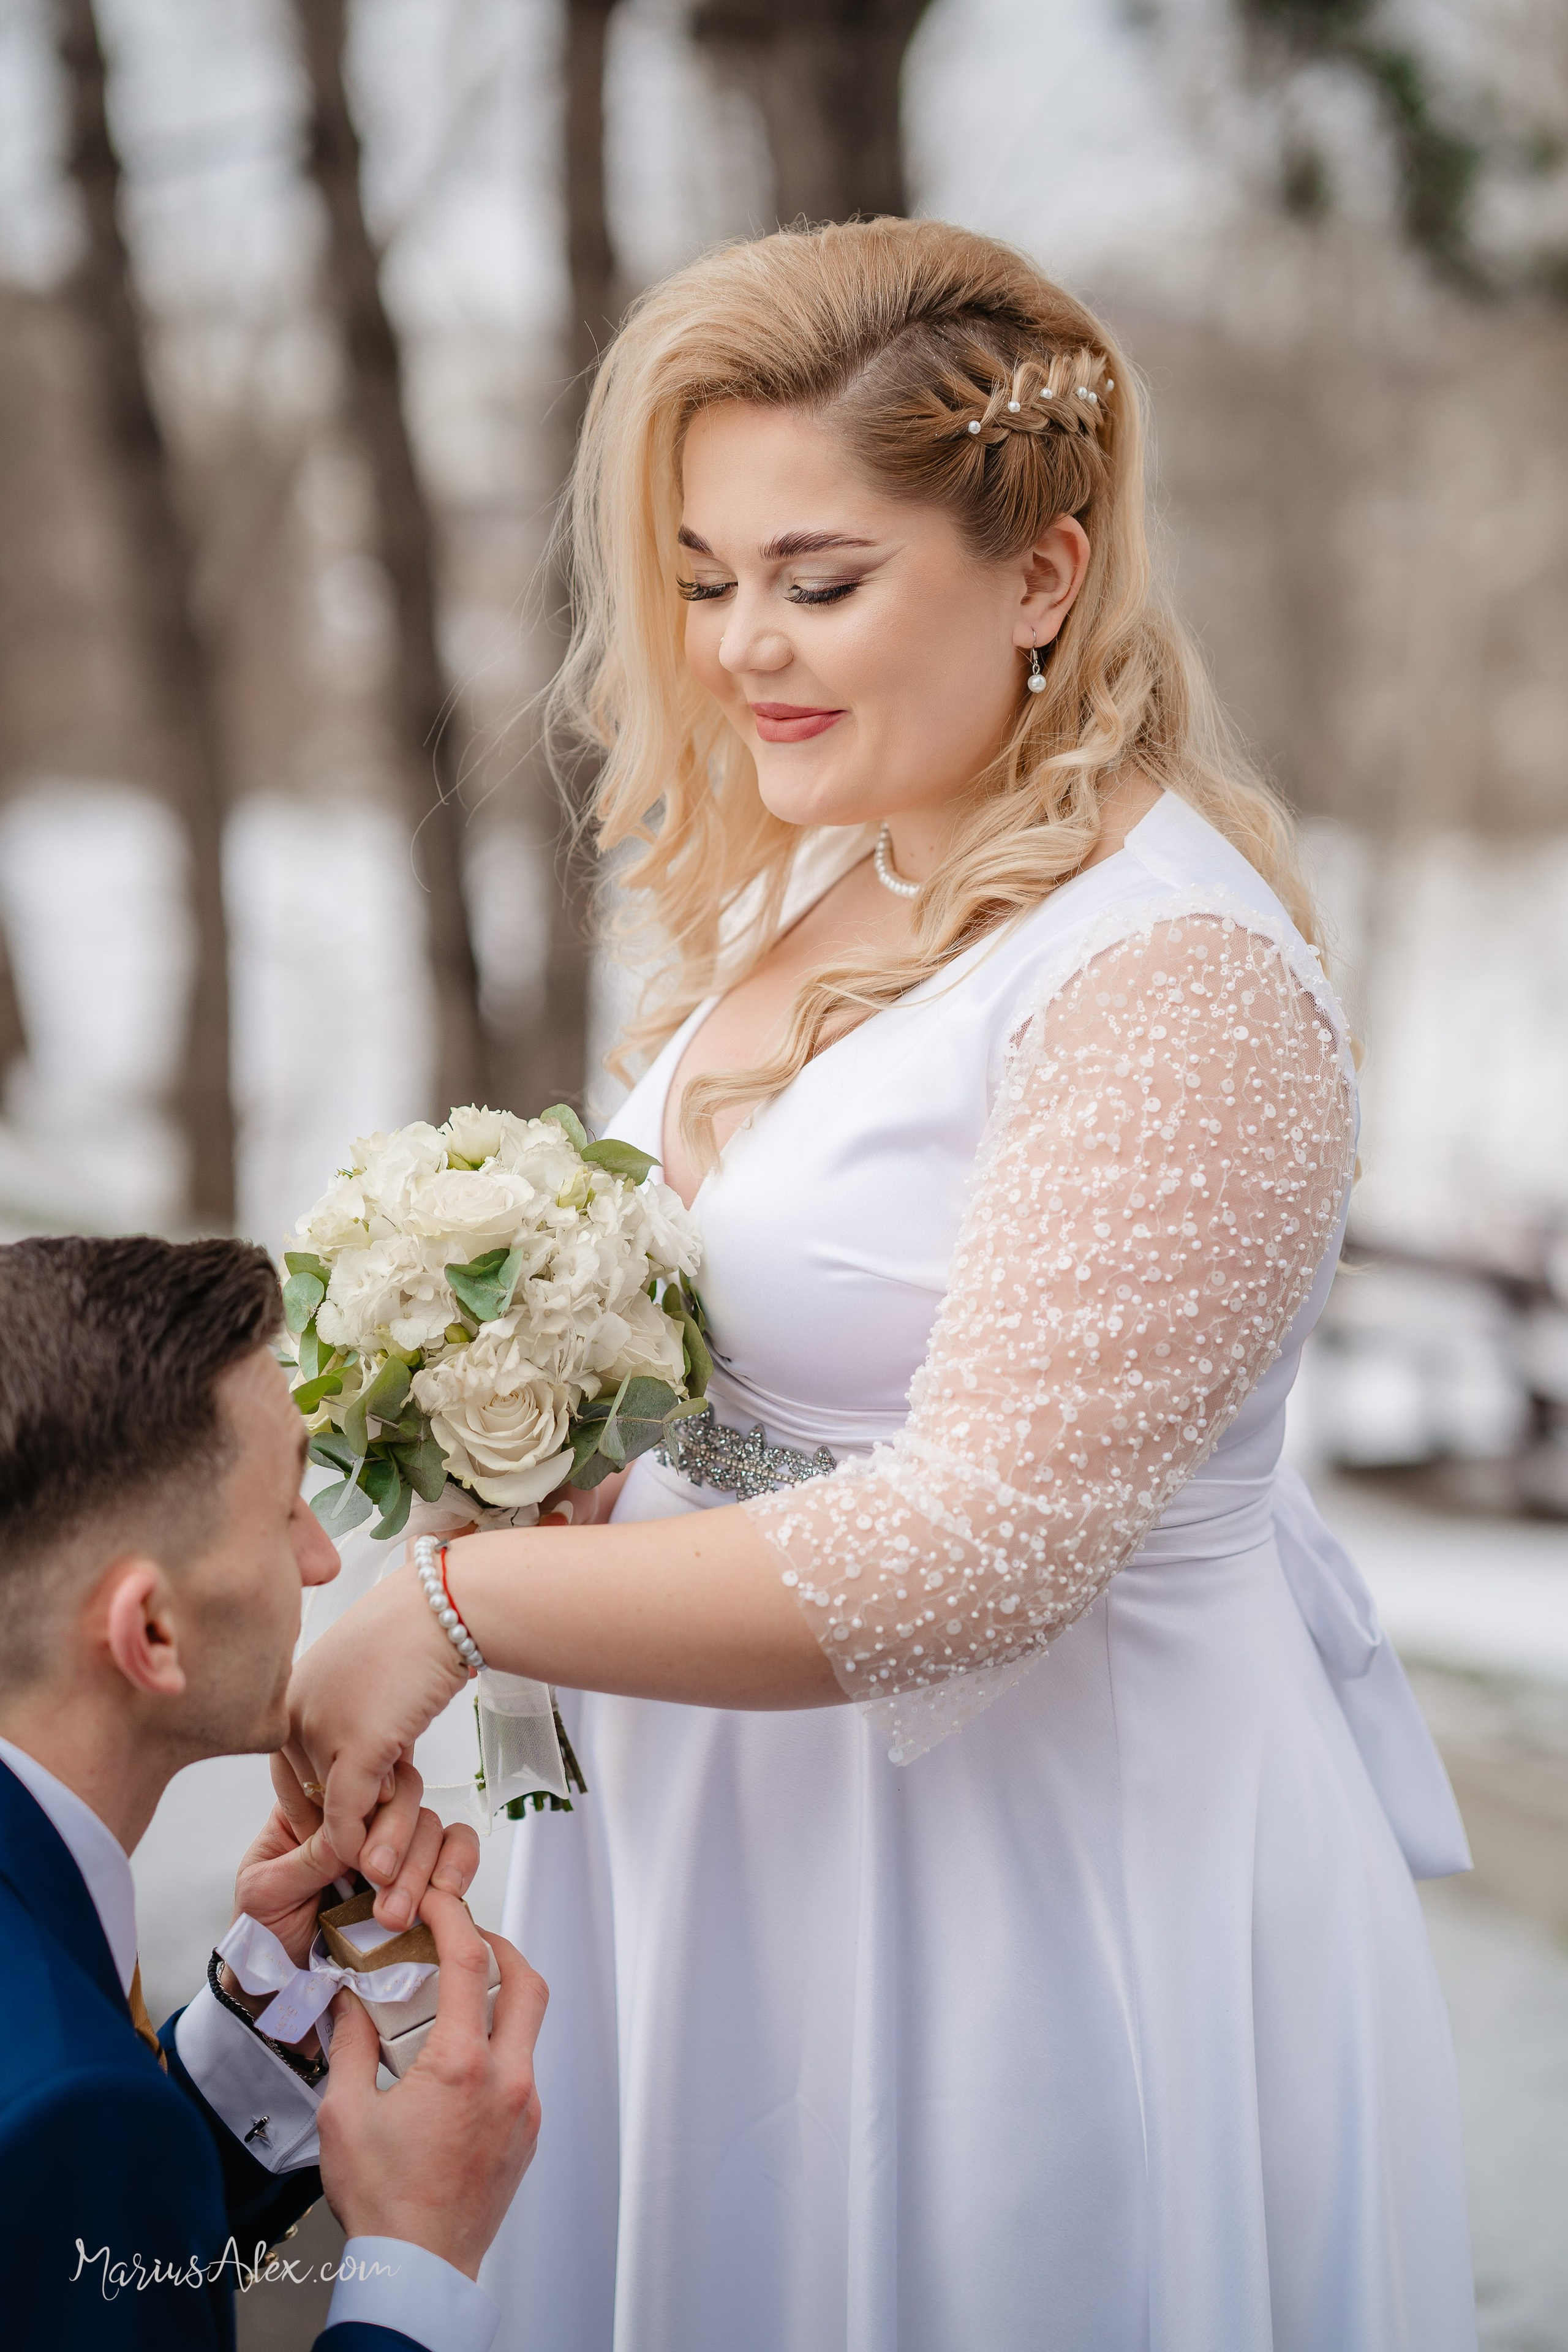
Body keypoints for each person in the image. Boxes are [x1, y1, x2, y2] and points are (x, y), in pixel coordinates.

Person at [288, 218, 1477, 2351]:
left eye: (819, 579)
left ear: (1044, 574)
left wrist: (451, 1612)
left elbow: (972, 1551)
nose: (746, 645)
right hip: (720, 1873)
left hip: (1015, 1909)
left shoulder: (1169, 976)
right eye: (705, 574)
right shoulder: (850, 866)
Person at [0, 1234, 546, 2348]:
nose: (322, 1560)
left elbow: (72, 2268)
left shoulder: (71, 2102)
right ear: (149, 1630)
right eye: (288, 1503)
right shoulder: (62, 2104)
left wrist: (266, 2018)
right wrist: (413, 2256)